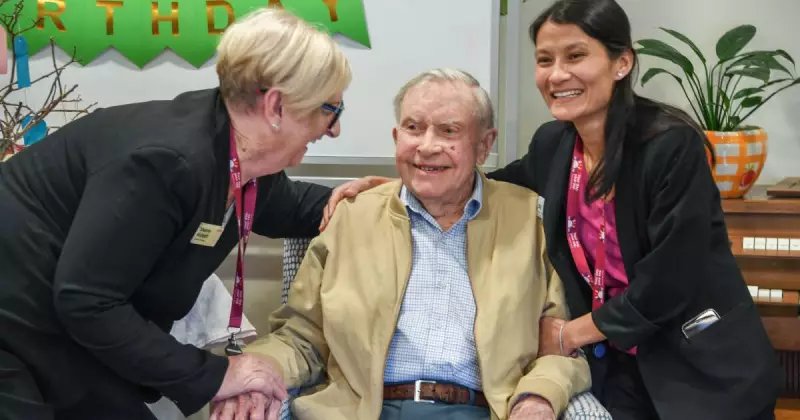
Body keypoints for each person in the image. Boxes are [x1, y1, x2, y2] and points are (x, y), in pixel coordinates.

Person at [320, 1, 783, 419]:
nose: (557, 74)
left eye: (575, 56)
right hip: (621, 369)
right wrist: (401, 185)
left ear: (622, 62)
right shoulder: (555, 143)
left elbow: (671, 282)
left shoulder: (669, 147)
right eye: (545, 60)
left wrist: (569, 334)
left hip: (699, 364)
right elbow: (486, 183)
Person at [0, 7, 349, 420]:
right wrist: (216, 375)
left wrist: (346, 201)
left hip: (59, 329)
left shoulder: (240, 154)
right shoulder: (168, 162)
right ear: (275, 107)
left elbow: (282, 206)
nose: (334, 130)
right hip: (17, 326)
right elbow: (87, 301)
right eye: (330, 110)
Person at [211, 68, 591, 420]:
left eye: (448, 131)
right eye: (413, 127)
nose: (427, 146)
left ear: (483, 145)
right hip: (359, 411)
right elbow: (302, 336)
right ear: (397, 138)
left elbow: (559, 344)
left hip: (480, 410)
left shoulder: (529, 221)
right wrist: (256, 375)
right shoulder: (353, 216)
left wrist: (539, 396)